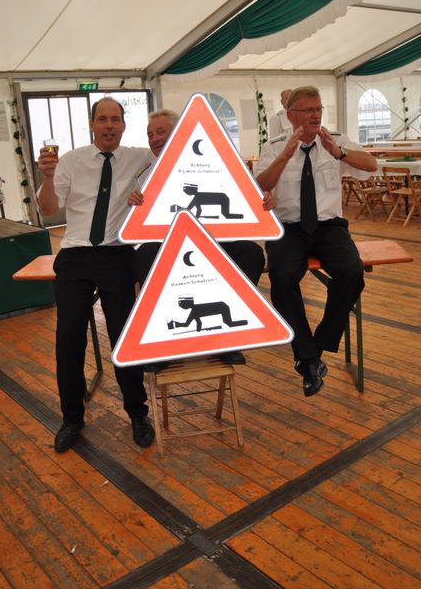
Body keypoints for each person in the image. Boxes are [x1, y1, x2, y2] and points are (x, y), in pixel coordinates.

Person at [37, 97, 155, 452]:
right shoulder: (71, 161)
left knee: (123, 335)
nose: (109, 126)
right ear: (92, 124)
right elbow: (48, 210)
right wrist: (46, 177)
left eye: (115, 119)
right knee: (69, 335)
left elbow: (173, 162)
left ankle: (137, 412)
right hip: (75, 255)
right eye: (102, 119)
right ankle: (72, 417)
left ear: (124, 125)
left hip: (117, 254)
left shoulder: (141, 158)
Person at [256, 86, 377, 397]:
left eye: (319, 109)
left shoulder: (334, 140)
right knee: (282, 276)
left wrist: (340, 153)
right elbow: (258, 184)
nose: (316, 115)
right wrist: (285, 155)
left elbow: (371, 165)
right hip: (289, 228)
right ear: (291, 115)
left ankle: (315, 349)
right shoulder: (274, 146)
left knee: (352, 271)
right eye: (308, 110)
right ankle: (308, 359)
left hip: (329, 228)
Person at [129, 109, 273, 365]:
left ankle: (225, 339)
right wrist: (134, 203)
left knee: (251, 253)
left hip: (216, 241)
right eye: (150, 135)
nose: (154, 139)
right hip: (169, 244)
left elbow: (249, 196)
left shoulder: (214, 162)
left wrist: (265, 200)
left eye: (160, 132)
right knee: (144, 256)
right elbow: (139, 220)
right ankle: (162, 341)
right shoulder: (144, 174)